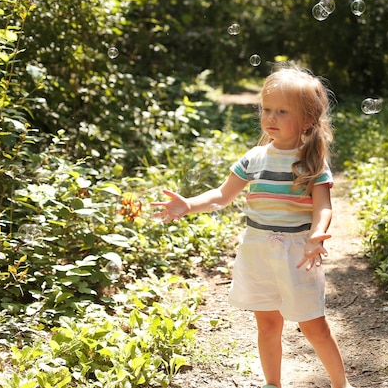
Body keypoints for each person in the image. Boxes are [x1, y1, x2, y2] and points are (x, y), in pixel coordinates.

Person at [152, 64, 354, 388]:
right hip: (258, 251)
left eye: (282, 111)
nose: (271, 118)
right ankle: (273, 384)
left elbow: (323, 206)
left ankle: (341, 385)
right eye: (267, 109)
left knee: (314, 327)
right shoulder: (254, 158)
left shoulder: (311, 163)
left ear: (306, 120)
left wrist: (317, 233)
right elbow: (222, 194)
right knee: (268, 325)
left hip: (298, 254)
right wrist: (189, 204)